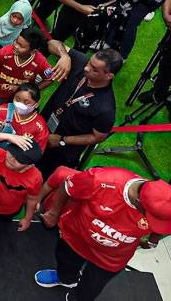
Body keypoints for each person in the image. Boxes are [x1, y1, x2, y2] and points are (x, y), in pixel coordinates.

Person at [36, 170, 171, 300]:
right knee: (66, 262)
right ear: (138, 202)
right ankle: (65, 279)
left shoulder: (165, 203)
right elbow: (67, 185)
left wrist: (153, 241)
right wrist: (53, 213)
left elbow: (163, 225)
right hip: (77, 237)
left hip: (111, 259)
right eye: (154, 218)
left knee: (91, 288)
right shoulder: (101, 180)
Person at [37, 43, 119, 180]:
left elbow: (98, 137)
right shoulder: (81, 62)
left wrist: (63, 140)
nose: (86, 68)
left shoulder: (106, 108)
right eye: (89, 62)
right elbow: (52, 43)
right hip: (42, 127)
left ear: (109, 76)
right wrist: (64, 56)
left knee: (41, 177)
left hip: (61, 151)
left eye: (94, 69)